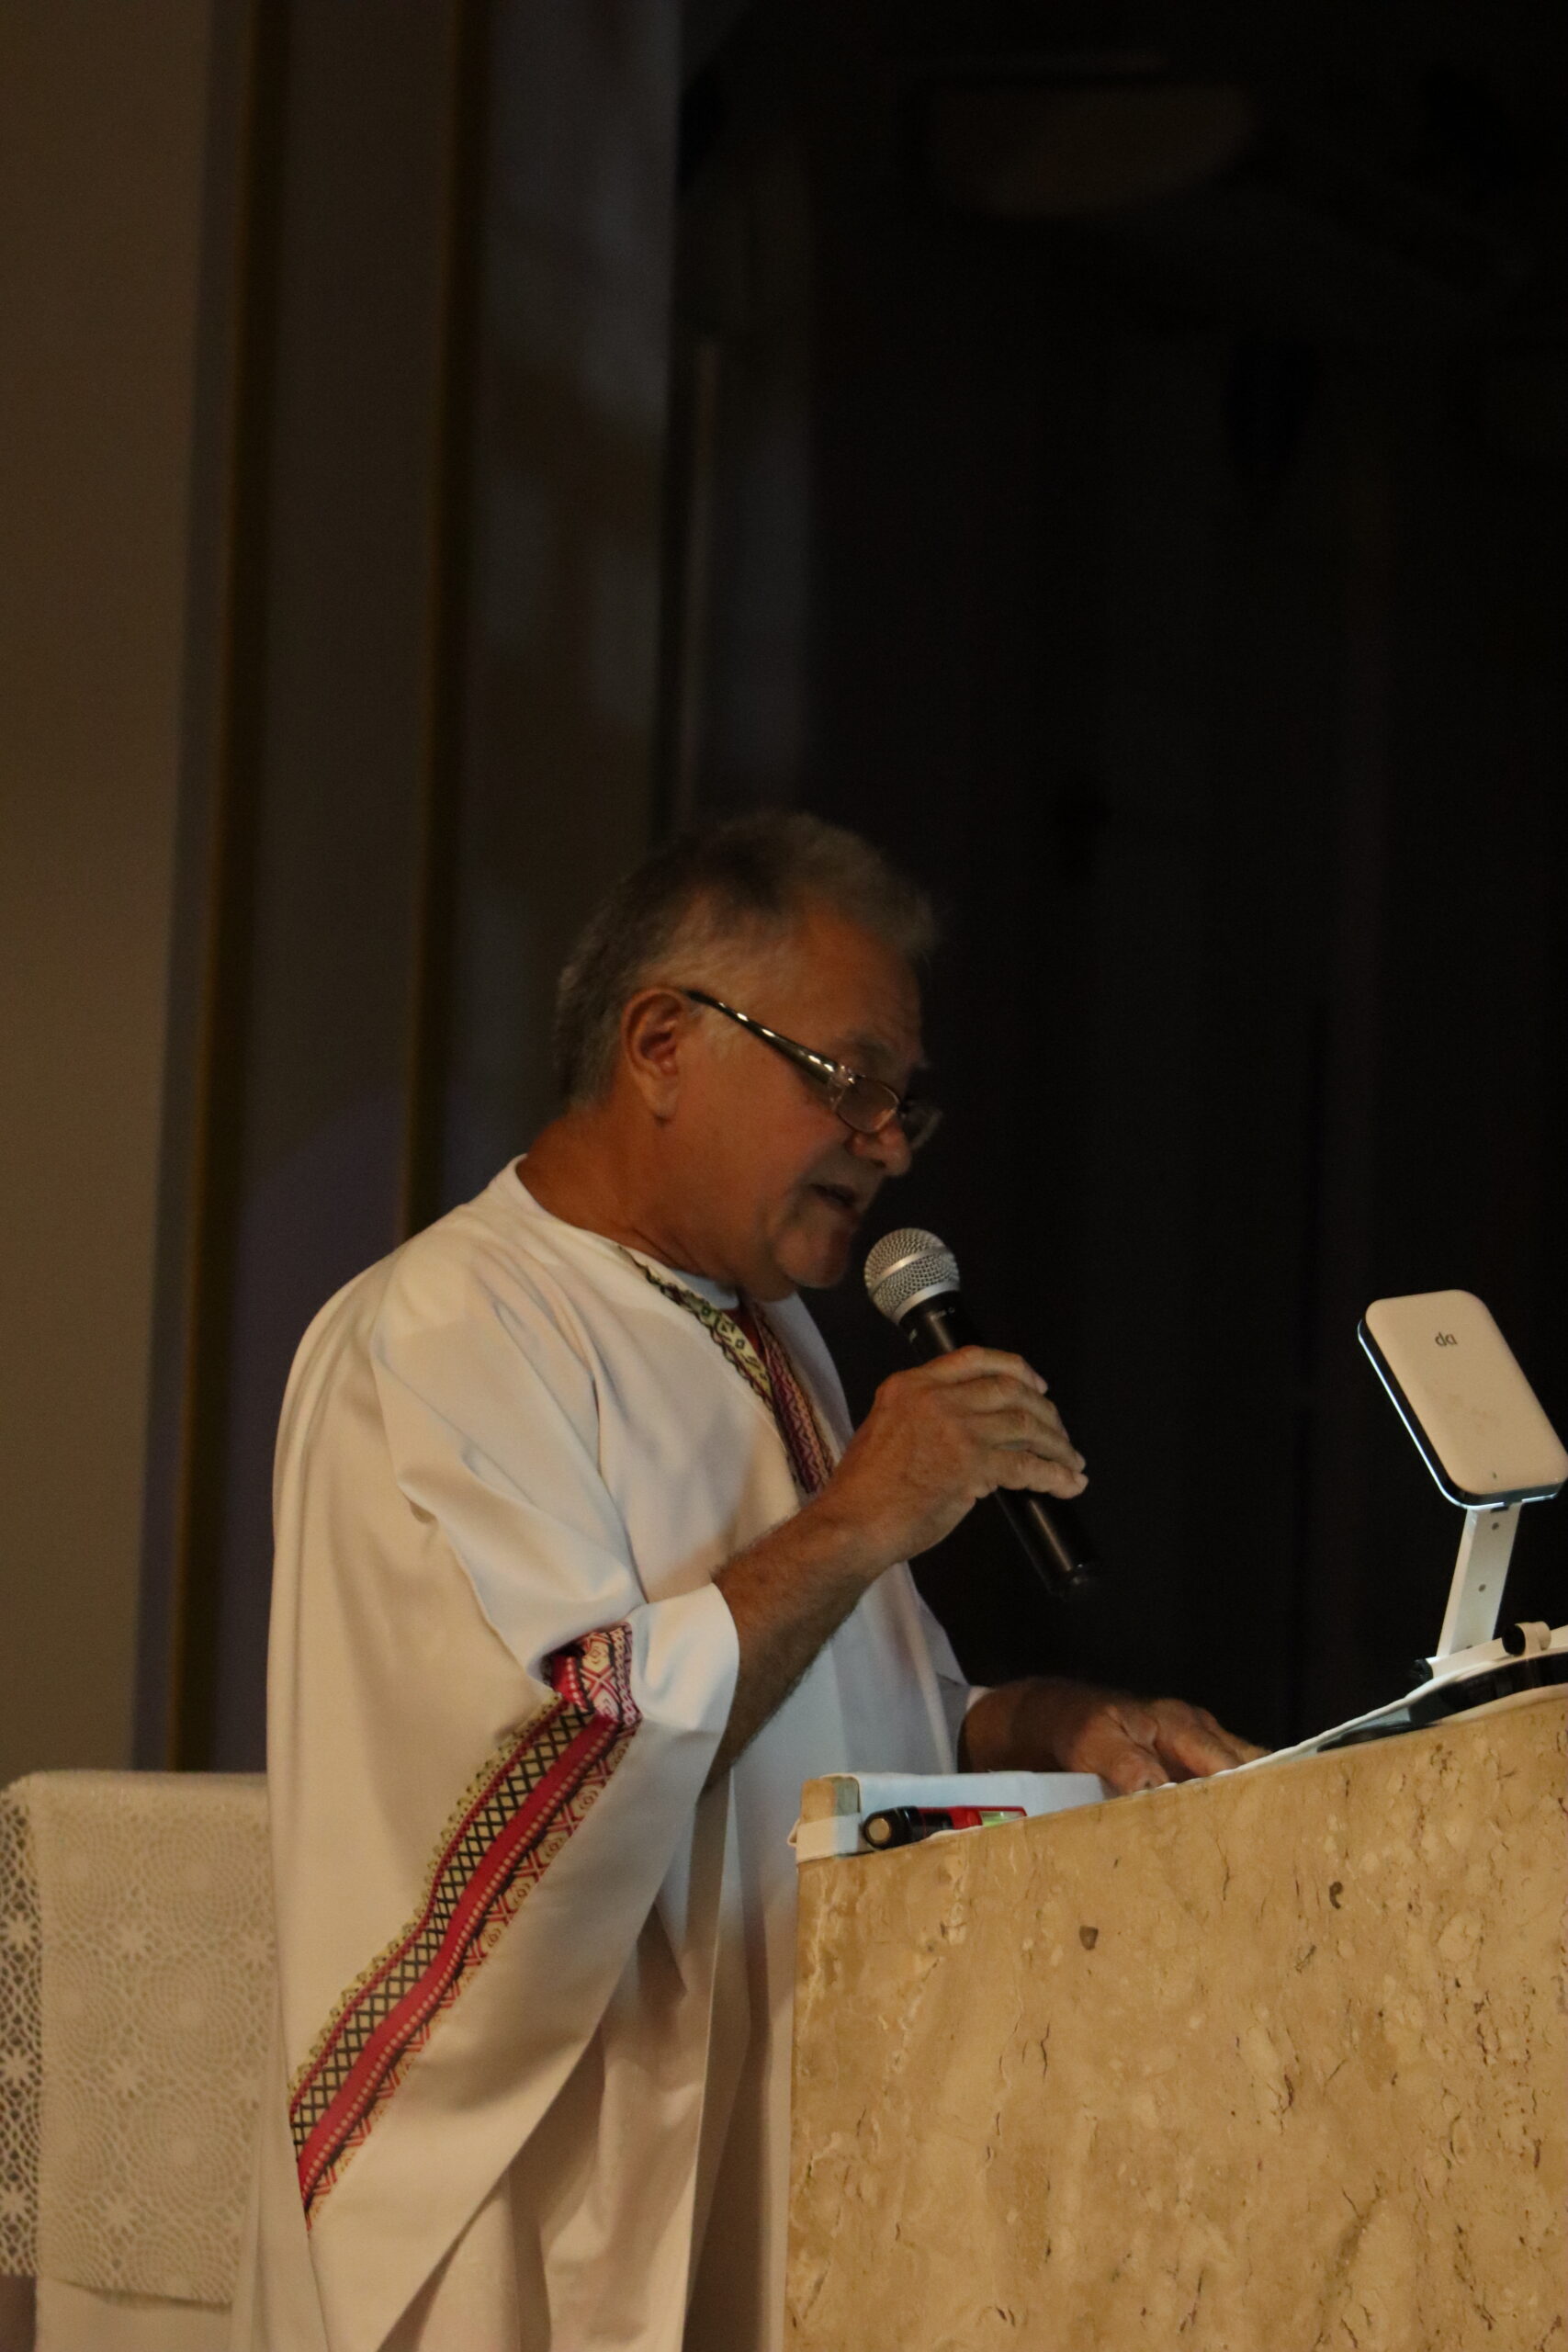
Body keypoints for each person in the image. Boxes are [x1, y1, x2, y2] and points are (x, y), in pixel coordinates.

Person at [231, 814, 1260, 2352]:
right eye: (850, 1080)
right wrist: (859, 1519)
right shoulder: (447, 1332)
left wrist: (1046, 1723)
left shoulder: (766, 1337)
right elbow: (557, 1749)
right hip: (553, 2208)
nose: (889, 1142)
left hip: (798, 2137)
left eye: (905, 1101)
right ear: (662, 1043)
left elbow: (831, 1711)